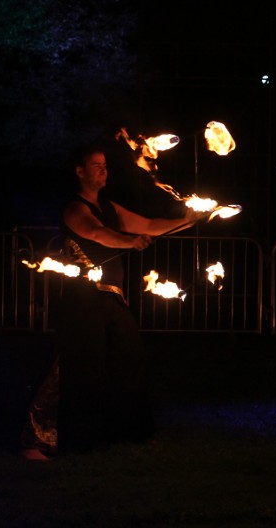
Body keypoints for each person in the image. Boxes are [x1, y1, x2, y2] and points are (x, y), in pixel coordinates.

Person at [21, 143, 200, 459]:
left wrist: (186, 220)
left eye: (105, 165)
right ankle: (42, 440)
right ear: (80, 172)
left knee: (130, 358)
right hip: (83, 299)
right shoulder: (75, 209)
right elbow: (98, 234)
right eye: (96, 165)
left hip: (113, 299)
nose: (104, 169)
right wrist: (130, 242)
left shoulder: (111, 207)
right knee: (80, 367)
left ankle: (126, 434)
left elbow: (148, 225)